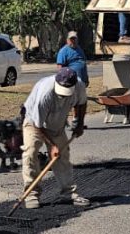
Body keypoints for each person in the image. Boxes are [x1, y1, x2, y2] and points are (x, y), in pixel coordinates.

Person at [20, 66, 89, 209]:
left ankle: (69, 192)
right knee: (31, 153)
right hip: (34, 123)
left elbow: (81, 104)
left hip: (57, 124)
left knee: (62, 157)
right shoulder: (46, 93)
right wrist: (53, 146)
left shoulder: (79, 86)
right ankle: (31, 194)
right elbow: (38, 125)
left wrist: (79, 123)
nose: (64, 95)